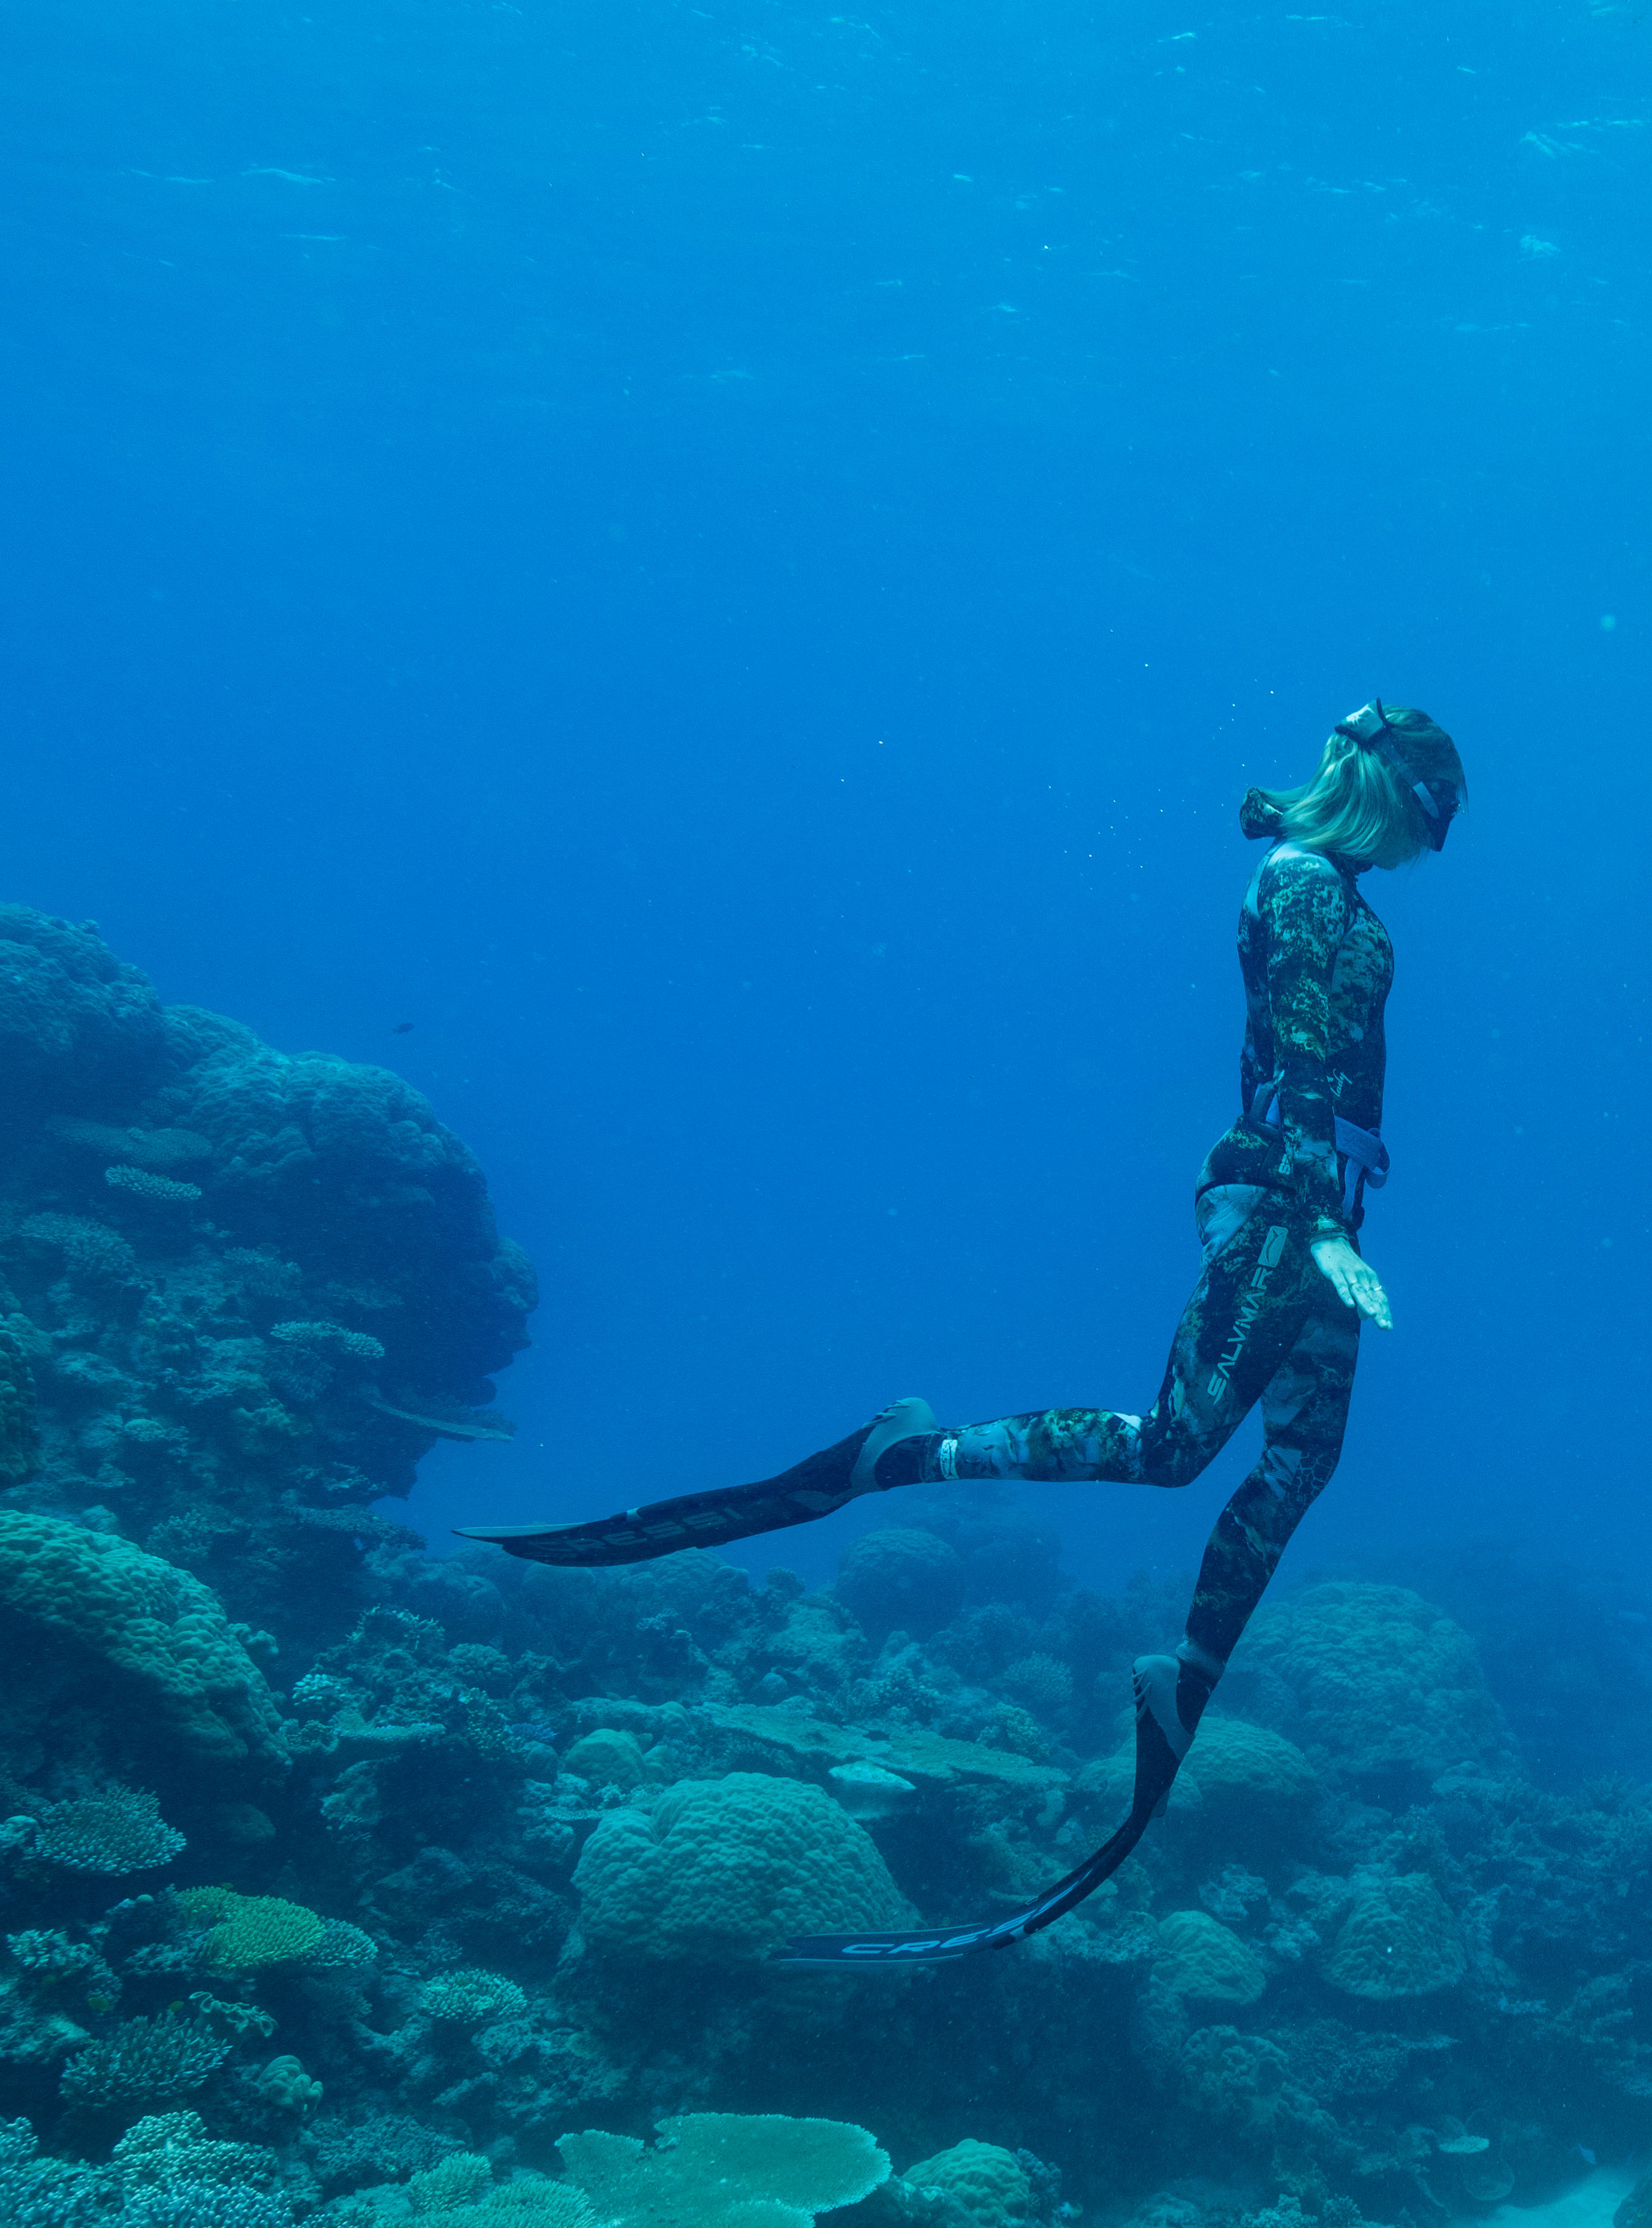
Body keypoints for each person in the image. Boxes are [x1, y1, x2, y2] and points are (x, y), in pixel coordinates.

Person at [465, 698, 1467, 1955]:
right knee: (1175, 1443)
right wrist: (1318, 1219)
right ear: (1406, 800)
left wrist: (1337, 1217)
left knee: (1301, 1455)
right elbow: (1309, 1066)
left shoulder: (1326, 885)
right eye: (1441, 821)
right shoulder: (1310, 887)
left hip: (1321, 1207)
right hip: (1289, 1200)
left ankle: (1187, 1675)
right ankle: (902, 1454)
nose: (1438, 850)